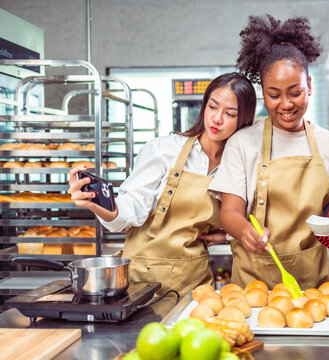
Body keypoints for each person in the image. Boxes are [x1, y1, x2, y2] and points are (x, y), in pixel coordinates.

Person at [68, 72, 256, 297]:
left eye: (230, 114)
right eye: (212, 107)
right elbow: (133, 205)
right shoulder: (164, 149)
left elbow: (245, 216)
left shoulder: (237, 166)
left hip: (196, 285)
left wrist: (227, 235)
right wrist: (98, 204)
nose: (217, 119)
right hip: (144, 285)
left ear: (243, 120)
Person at [208, 15, 329, 289]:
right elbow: (230, 211)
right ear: (263, 93)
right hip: (254, 285)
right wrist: (244, 231)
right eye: (274, 95)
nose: (286, 104)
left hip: (315, 285)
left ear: (309, 85)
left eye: (295, 92)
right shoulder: (243, 142)